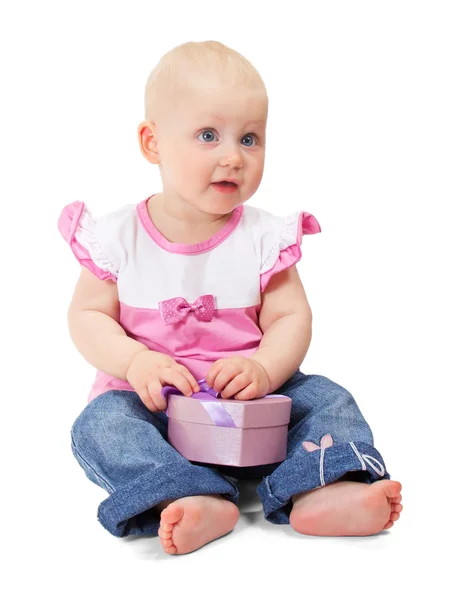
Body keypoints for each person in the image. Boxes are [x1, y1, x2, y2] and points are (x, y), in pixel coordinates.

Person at [58, 40, 403, 555]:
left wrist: (264, 368)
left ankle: (321, 487)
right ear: (152, 143)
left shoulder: (264, 238)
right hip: (155, 406)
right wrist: (135, 361)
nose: (232, 157)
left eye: (249, 138)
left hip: (253, 407)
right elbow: (87, 316)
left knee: (326, 397)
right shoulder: (117, 238)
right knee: (101, 423)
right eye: (207, 135)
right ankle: (188, 494)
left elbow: (291, 317)